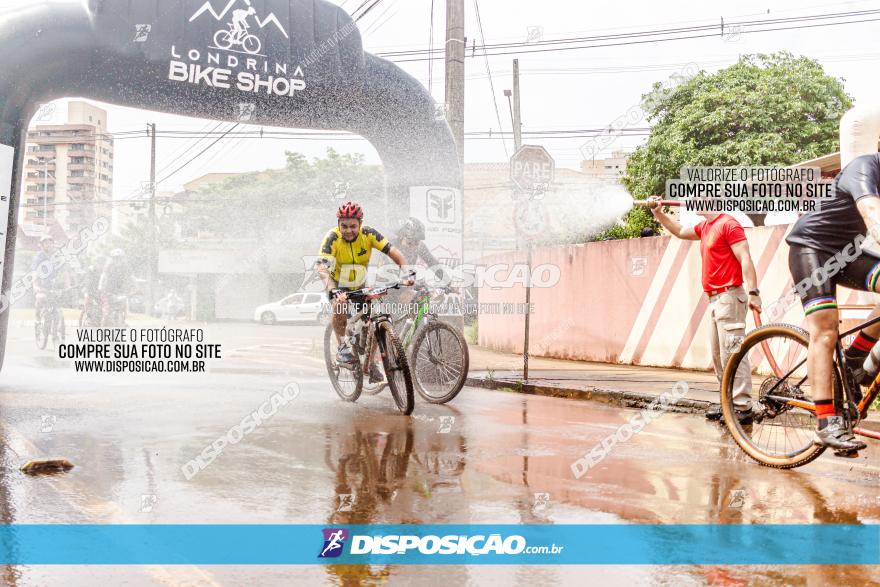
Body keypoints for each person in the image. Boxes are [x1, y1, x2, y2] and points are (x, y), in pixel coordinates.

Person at [783, 153, 880, 454]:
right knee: (825, 331)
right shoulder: (864, 167)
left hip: (847, 254)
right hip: (811, 248)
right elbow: (872, 213)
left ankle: (853, 362)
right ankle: (826, 423)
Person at [647, 196, 762, 424]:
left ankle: (743, 407)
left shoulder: (728, 224)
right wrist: (659, 213)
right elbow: (679, 231)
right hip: (715, 299)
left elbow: (745, 257)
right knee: (719, 356)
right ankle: (728, 404)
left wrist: (754, 292)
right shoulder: (706, 226)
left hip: (730, 297)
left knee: (733, 353)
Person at [316, 202, 411, 382]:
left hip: (360, 283)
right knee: (340, 306)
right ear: (338, 224)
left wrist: (408, 271)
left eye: (353, 226)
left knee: (374, 319)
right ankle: (343, 348)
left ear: (360, 223)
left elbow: (394, 252)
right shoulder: (332, 237)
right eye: (343, 226)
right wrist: (332, 290)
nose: (348, 230)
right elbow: (321, 266)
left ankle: (371, 361)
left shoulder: (369, 234)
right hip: (337, 283)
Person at [99, 249, 132, 327]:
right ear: (112, 259)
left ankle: (123, 320)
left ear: (123, 258)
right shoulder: (108, 267)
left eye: (119, 258)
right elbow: (103, 276)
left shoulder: (125, 267)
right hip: (108, 291)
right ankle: (102, 328)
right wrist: (100, 286)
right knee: (106, 314)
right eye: (115, 258)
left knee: (124, 305)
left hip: (120, 291)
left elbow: (131, 277)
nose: (118, 260)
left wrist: (134, 287)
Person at [32, 236, 59, 315]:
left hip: (53, 286)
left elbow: (62, 272)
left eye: (50, 243)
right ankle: (38, 320)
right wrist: (35, 285)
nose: (49, 245)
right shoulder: (38, 257)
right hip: (41, 285)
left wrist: (68, 284)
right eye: (46, 243)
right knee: (41, 298)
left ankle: (57, 322)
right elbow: (34, 272)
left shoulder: (55, 256)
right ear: (41, 245)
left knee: (57, 302)